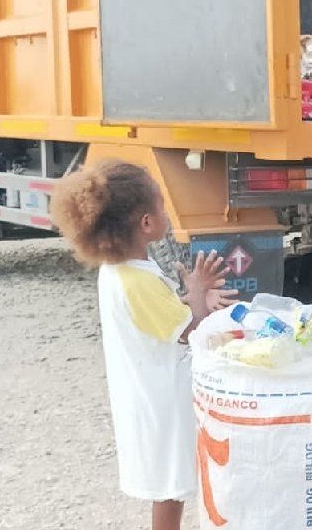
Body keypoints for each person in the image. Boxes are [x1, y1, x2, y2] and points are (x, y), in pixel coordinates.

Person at [50, 161, 235, 530]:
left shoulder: (120, 271)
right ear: (147, 223)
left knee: (171, 485)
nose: (166, 213)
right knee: (170, 487)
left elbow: (160, 319)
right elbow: (189, 330)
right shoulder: (137, 281)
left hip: (148, 391)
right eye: (162, 206)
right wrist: (198, 293)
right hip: (161, 401)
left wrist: (194, 298)